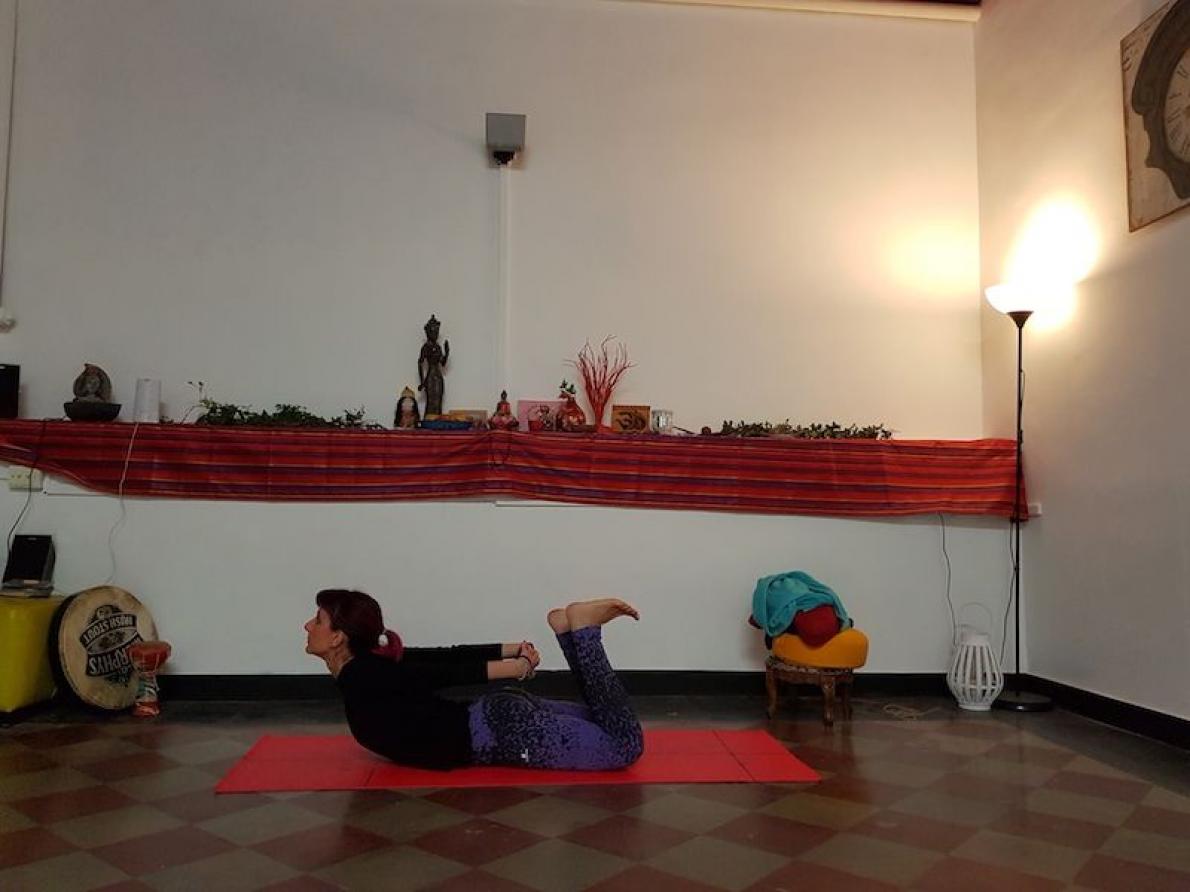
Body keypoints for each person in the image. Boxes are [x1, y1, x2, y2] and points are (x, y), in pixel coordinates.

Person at [304, 590, 644, 772]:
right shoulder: (372, 669)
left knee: (623, 747)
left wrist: (513, 661)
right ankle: (569, 631)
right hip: (500, 716)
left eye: (317, 620)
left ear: (337, 638)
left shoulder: (364, 675)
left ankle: (583, 632)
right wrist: (512, 657)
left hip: (503, 732)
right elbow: (445, 662)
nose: (307, 626)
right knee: (606, 722)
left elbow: (443, 668)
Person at [417, 315, 449, 417]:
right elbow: (420, 363)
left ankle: (438, 421)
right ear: (428, 333)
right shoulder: (426, 347)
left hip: (438, 376)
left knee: (438, 399)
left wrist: (447, 353)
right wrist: (422, 381)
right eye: (433, 331)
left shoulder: (438, 347)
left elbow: (442, 363)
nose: (435, 334)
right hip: (430, 376)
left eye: (436, 332)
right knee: (431, 400)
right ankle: (429, 421)